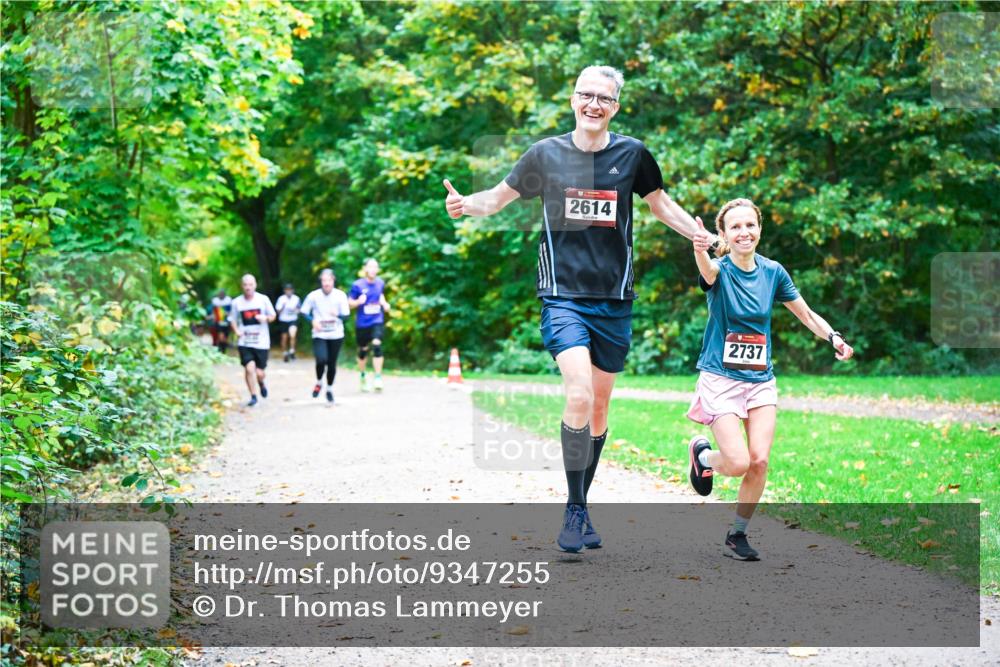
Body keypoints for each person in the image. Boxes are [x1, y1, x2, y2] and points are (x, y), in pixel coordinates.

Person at [442, 65, 713, 553]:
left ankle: (581, 505)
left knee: (602, 407)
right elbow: (499, 199)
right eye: (586, 95)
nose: (593, 104)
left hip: (614, 299)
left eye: (603, 98)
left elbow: (659, 205)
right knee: (581, 396)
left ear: (616, 106)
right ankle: (572, 508)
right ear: (572, 99)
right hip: (562, 295)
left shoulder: (632, 155)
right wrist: (467, 205)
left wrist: (695, 232)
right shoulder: (545, 154)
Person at [686, 198, 854, 561]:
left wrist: (833, 337)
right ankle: (703, 456)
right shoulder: (719, 270)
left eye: (750, 225)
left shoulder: (773, 271)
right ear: (723, 234)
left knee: (759, 461)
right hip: (721, 377)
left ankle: (737, 535)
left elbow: (806, 314)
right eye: (735, 226)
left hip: (760, 379)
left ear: (759, 229)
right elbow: (707, 270)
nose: (744, 232)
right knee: (738, 462)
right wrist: (699, 248)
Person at [301, 269, 350, 403]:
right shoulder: (313, 296)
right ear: (321, 281)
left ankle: (329, 389)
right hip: (320, 333)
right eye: (324, 281)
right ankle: (319, 382)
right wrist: (312, 321)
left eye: (329, 280)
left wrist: (337, 315)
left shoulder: (340, 295)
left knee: (332, 364)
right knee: (321, 360)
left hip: (336, 334)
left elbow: (346, 316)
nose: (326, 283)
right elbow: (304, 311)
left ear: (333, 280)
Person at [229, 274, 276, 407]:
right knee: (249, 369)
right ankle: (253, 396)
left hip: (261, 341)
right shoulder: (236, 302)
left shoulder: (263, 299)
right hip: (245, 342)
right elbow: (232, 319)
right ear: (242, 286)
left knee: (260, 373)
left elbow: (273, 316)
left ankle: (261, 383)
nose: (248, 287)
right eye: (245, 285)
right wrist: (236, 330)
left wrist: (265, 318)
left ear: (255, 285)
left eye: (250, 284)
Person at [348, 258, 391, 393]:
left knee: (377, 344)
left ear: (378, 270)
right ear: (365, 268)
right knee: (363, 349)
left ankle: (378, 377)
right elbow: (349, 303)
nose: (373, 270)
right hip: (362, 323)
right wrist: (358, 302)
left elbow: (381, 296)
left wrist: (385, 304)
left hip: (376, 320)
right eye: (370, 267)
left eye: (375, 267)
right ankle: (363, 376)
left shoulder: (380, 283)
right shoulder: (357, 285)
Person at [275, 283, 301, 363]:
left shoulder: (296, 299)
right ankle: (285, 353)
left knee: (292, 334)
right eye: (287, 290)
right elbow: (277, 311)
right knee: (284, 338)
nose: (288, 291)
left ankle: (292, 351)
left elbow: (300, 310)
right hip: (283, 320)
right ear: (285, 291)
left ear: (292, 291)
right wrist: (283, 306)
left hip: (293, 319)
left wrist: (295, 310)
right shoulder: (281, 299)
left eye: (290, 290)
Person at [208, 289, 232, 354]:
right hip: (218, 321)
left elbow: (231, 311)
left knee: (225, 337)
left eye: (222, 294)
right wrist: (213, 318)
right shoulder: (215, 301)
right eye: (220, 294)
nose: (221, 295)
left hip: (227, 321)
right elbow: (213, 311)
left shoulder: (228, 300)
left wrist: (228, 314)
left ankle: (223, 350)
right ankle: (220, 349)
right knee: (220, 336)